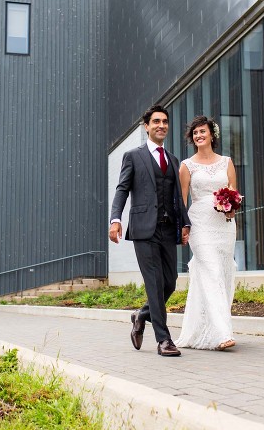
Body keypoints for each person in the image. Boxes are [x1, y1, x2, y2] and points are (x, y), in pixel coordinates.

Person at [109, 105, 191, 357]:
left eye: (165, 121)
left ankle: (140, 314)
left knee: (170, 283)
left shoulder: (174, 160)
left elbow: (177, 196)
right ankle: (164, 340)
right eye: (156, 121)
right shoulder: (133, 156)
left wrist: (185, 223)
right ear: (146, 126)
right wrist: (115, 219)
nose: (161, 125)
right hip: (144, 229)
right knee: (154, 283)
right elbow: (122, 188)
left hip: (168, 228)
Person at [176, 115, 238, 351]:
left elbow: (234, 192)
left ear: (212, 134)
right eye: (195, 133)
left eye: (202, 131)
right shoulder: (187, 165)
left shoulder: (227, 162)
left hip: (224, 224)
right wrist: (183, 227)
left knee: (222, 273)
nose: (199, 136)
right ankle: (223, 334)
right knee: (211, 271)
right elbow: (182, 200)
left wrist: (232, 209)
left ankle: (207, 329)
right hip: (200, 223)